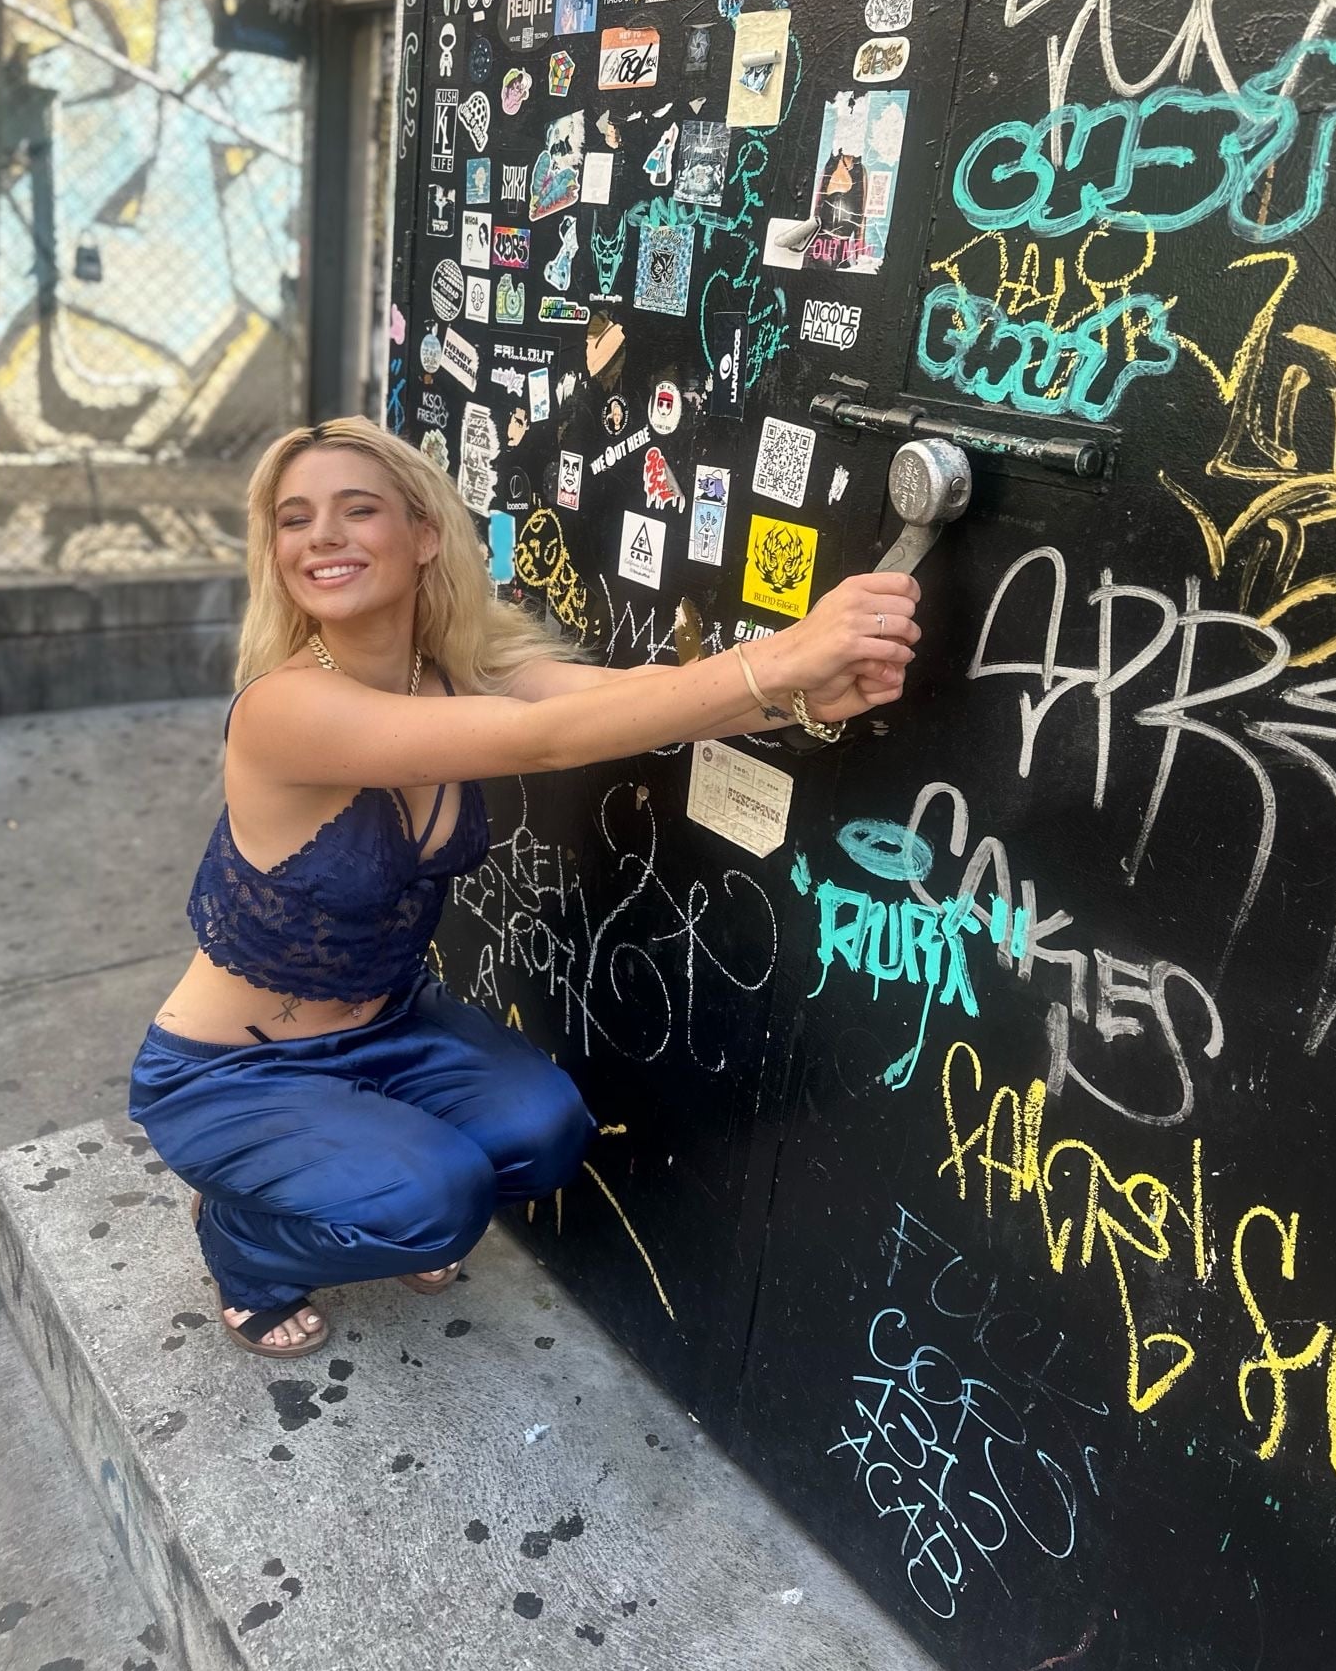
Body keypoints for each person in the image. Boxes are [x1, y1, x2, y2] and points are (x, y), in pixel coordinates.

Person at [129, 418, 919, 1359]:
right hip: (232, 1071)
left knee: (547, 1132)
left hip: (389, 1026)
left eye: (357, 510)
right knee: (437, 1205)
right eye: (294, 520)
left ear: (426, 534)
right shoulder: (283, 709)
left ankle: (351, 1178)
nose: (322, 536)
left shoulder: (453, 670)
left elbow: (622, 699)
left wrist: (796, 698)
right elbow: (542, 741)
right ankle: (244, 1238)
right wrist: (785, 656)